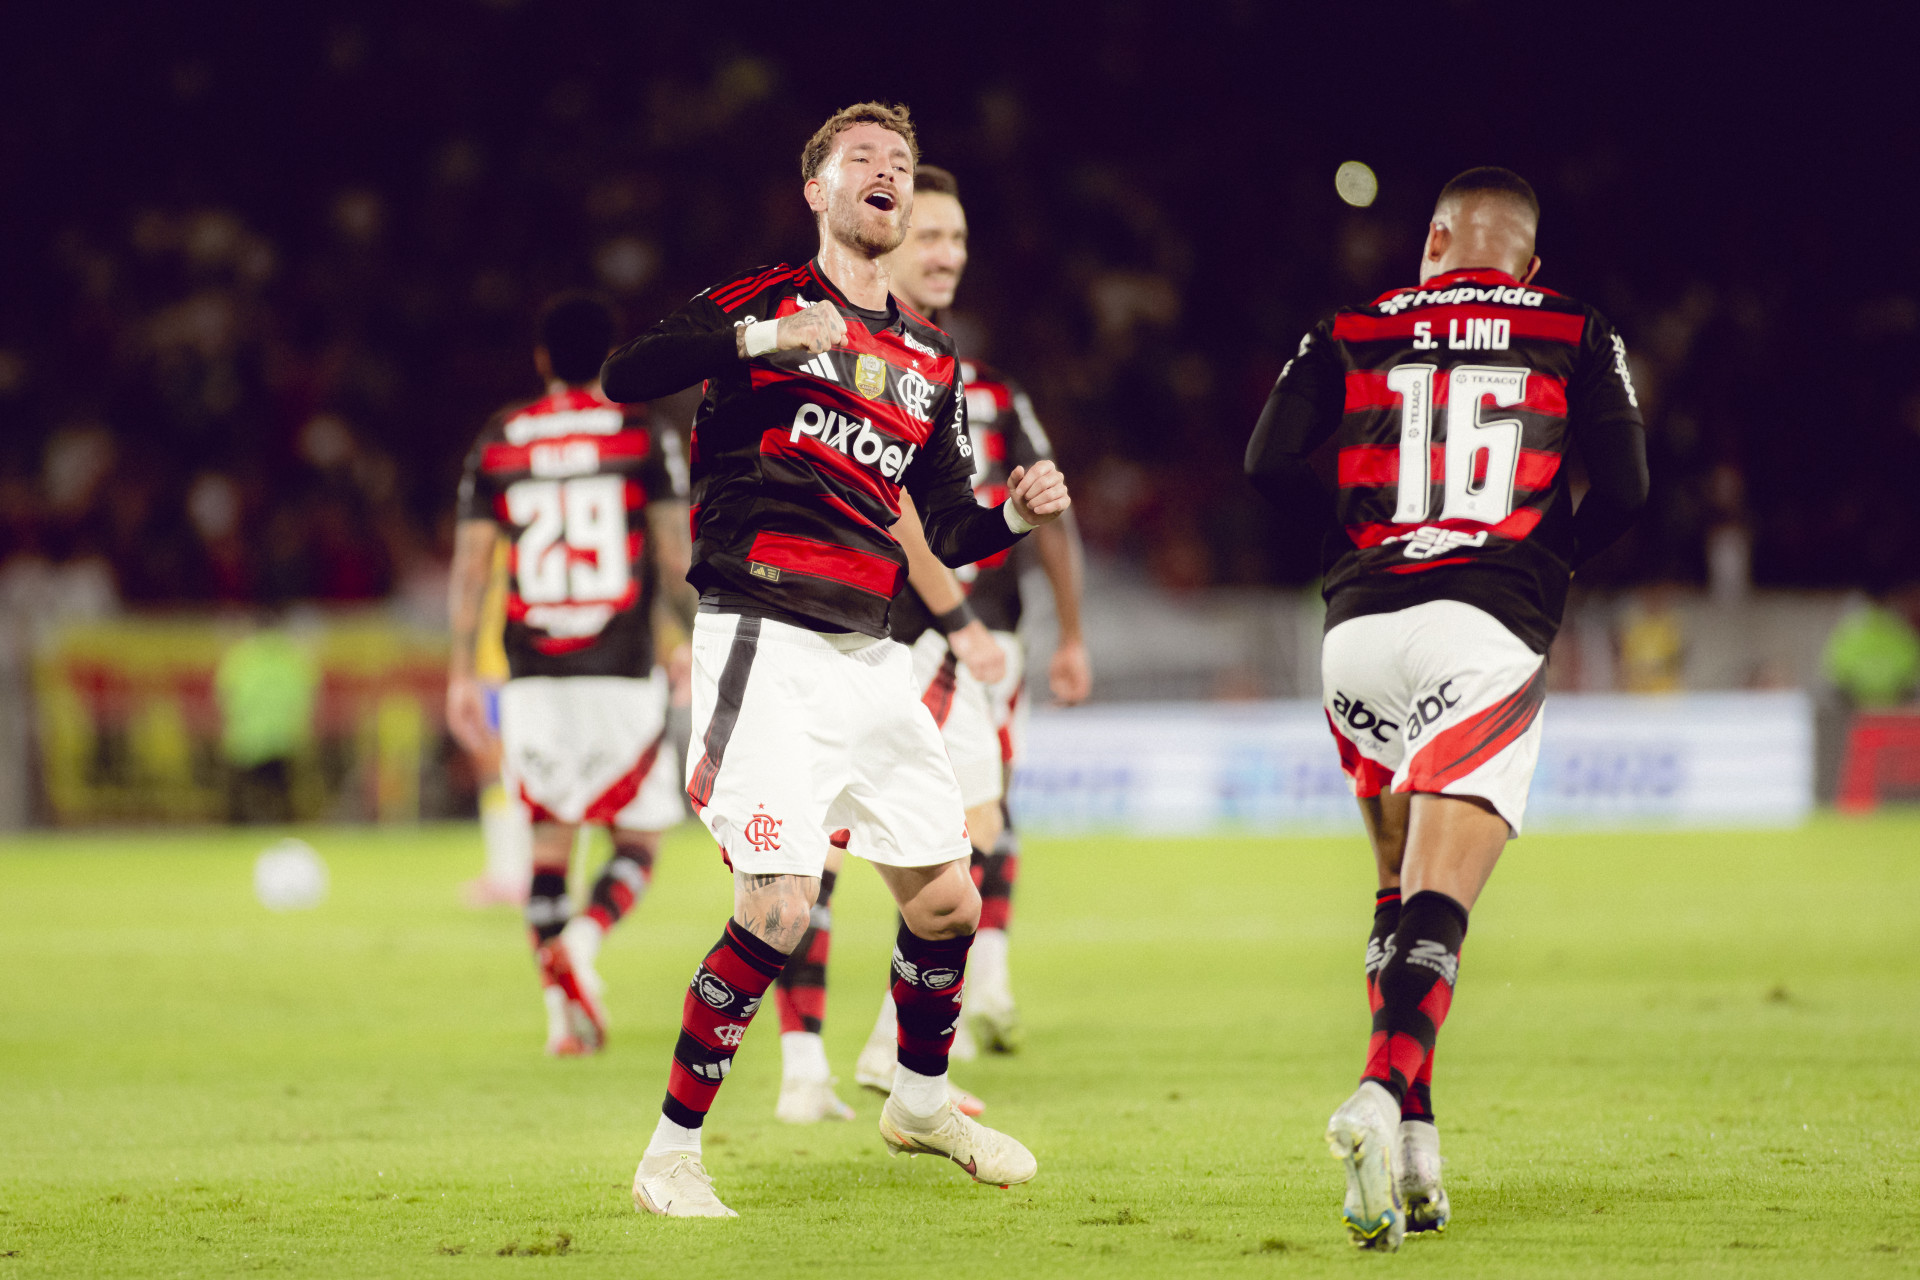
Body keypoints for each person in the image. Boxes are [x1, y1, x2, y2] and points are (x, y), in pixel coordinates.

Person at [600, 101, 1070, 1218]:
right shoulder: (764, 299)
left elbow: (946, 521)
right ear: (817, 189)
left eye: (900, 164)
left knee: (949, 898)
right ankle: (669, 1154)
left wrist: (1012, 511)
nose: (888, 175)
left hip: (870, 651)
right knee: (776, 906)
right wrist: (762, 342)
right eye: (865, 159)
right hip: (763, 631)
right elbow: (630, 370)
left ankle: (918, 1097)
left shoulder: (925, 355)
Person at [1246, 167, 1648, 1249]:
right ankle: (1379, 1094)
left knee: (1393, 882)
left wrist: (1354, 545)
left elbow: (1267, 460)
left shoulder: (1353, 324)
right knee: (1442, 897)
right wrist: (1544, 559)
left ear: (1432, 241)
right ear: (1528, 263)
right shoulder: (1574, 324)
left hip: (1360, 633)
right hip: (1482, 625)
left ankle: (1417, 1152)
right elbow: (1629, 485)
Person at [847, 164, 1091, 1104]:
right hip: (920, 637)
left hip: (976, 636)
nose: (947, 255)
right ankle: (894, 1056)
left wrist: (1066, 631)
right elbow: (896, 510)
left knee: (961, 834)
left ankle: (904, 1049)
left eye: (957, 240)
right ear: (887, 239)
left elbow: (1046, 510)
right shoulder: (880, 370)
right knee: (952, 836)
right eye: (929, 237)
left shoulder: (967, 377)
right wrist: (957, 619)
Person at [447, 291, 696, 1058]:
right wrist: (691, 641)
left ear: (543, 361)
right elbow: (674, 555)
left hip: (530, 672)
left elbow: (470, 570)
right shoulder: (638, 434)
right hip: (619, 669)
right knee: (639, 840)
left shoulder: (501, 438)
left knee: (547, 850)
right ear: (610, 358)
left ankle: (562, 1019)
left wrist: (461, 671)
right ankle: (584, 943)